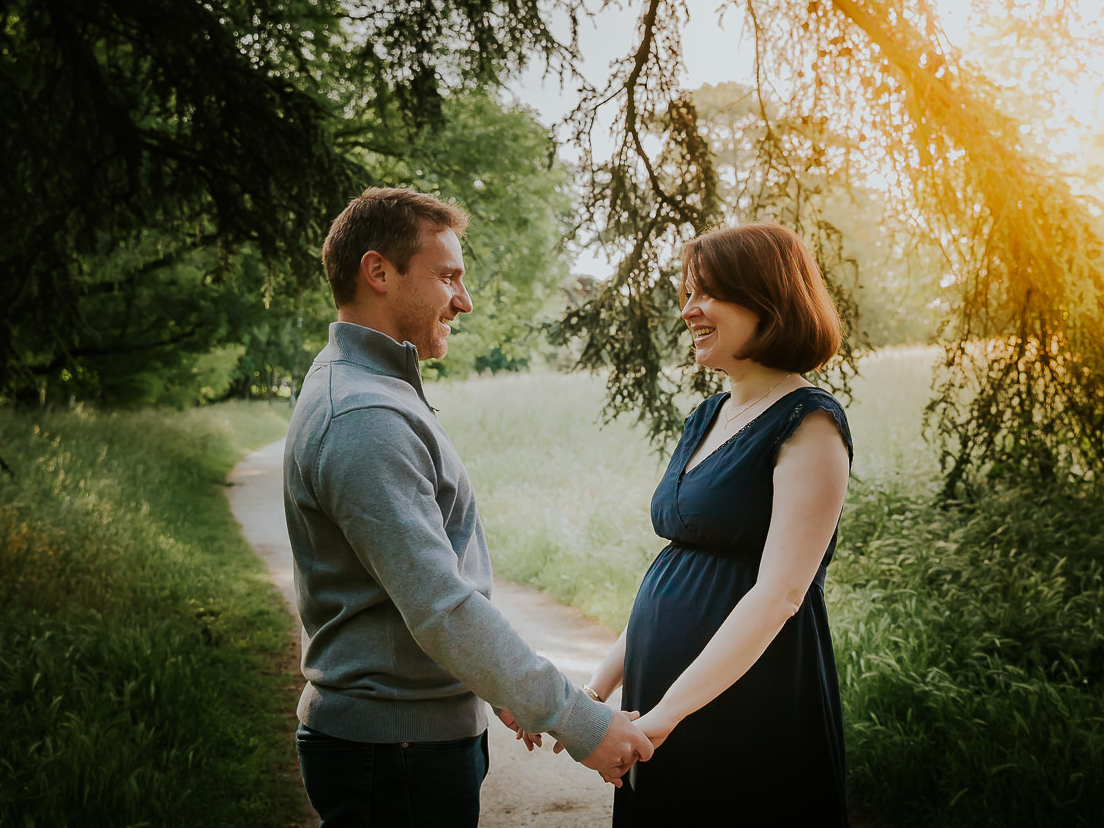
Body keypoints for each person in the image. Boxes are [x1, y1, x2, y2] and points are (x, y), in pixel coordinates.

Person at [283, 187, 653, 828]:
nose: (464, 299)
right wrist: (584, 722)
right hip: (393, 751)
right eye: (448, 276)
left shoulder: (369, 388)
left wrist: (498, 686)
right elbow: (442, 607)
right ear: (378, 272)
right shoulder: (366, 413)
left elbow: (422, 595)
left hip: (403, 742)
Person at [589, 222, 854, 826]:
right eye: (686, 294)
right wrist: (597, 690)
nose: (689, 310)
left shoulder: (809, 423)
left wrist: (664, 717)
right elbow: (681, 570)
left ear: (767, 301)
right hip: (662, 685)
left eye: (706, 293)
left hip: (745, 696)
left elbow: (780, 595)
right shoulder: (708, 414)